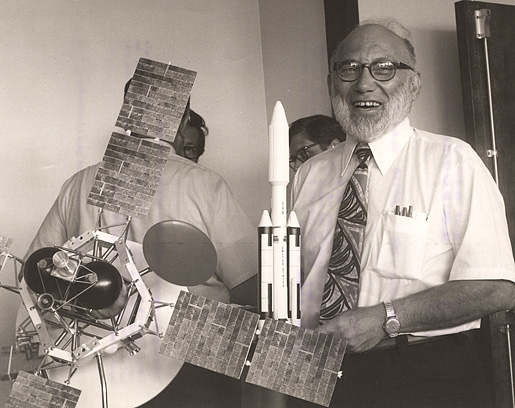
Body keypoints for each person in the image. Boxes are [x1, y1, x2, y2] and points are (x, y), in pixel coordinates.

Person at [289, 19, 515, 408]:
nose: (364, 83)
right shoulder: (309, 174)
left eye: (384, 68)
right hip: (314, 371)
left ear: (413, 84)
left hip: (423, 375)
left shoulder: (452, 160)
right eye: (349, 68)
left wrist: (385, 318)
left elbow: (496, 286)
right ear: (331, 83)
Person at [25, 87, 257, 407]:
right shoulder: (204, 185)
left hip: (94, 373)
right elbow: (249, 286)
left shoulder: (77, 184)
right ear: (184, 120)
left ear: (127, 115)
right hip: (190, 364)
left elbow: (34, 273)